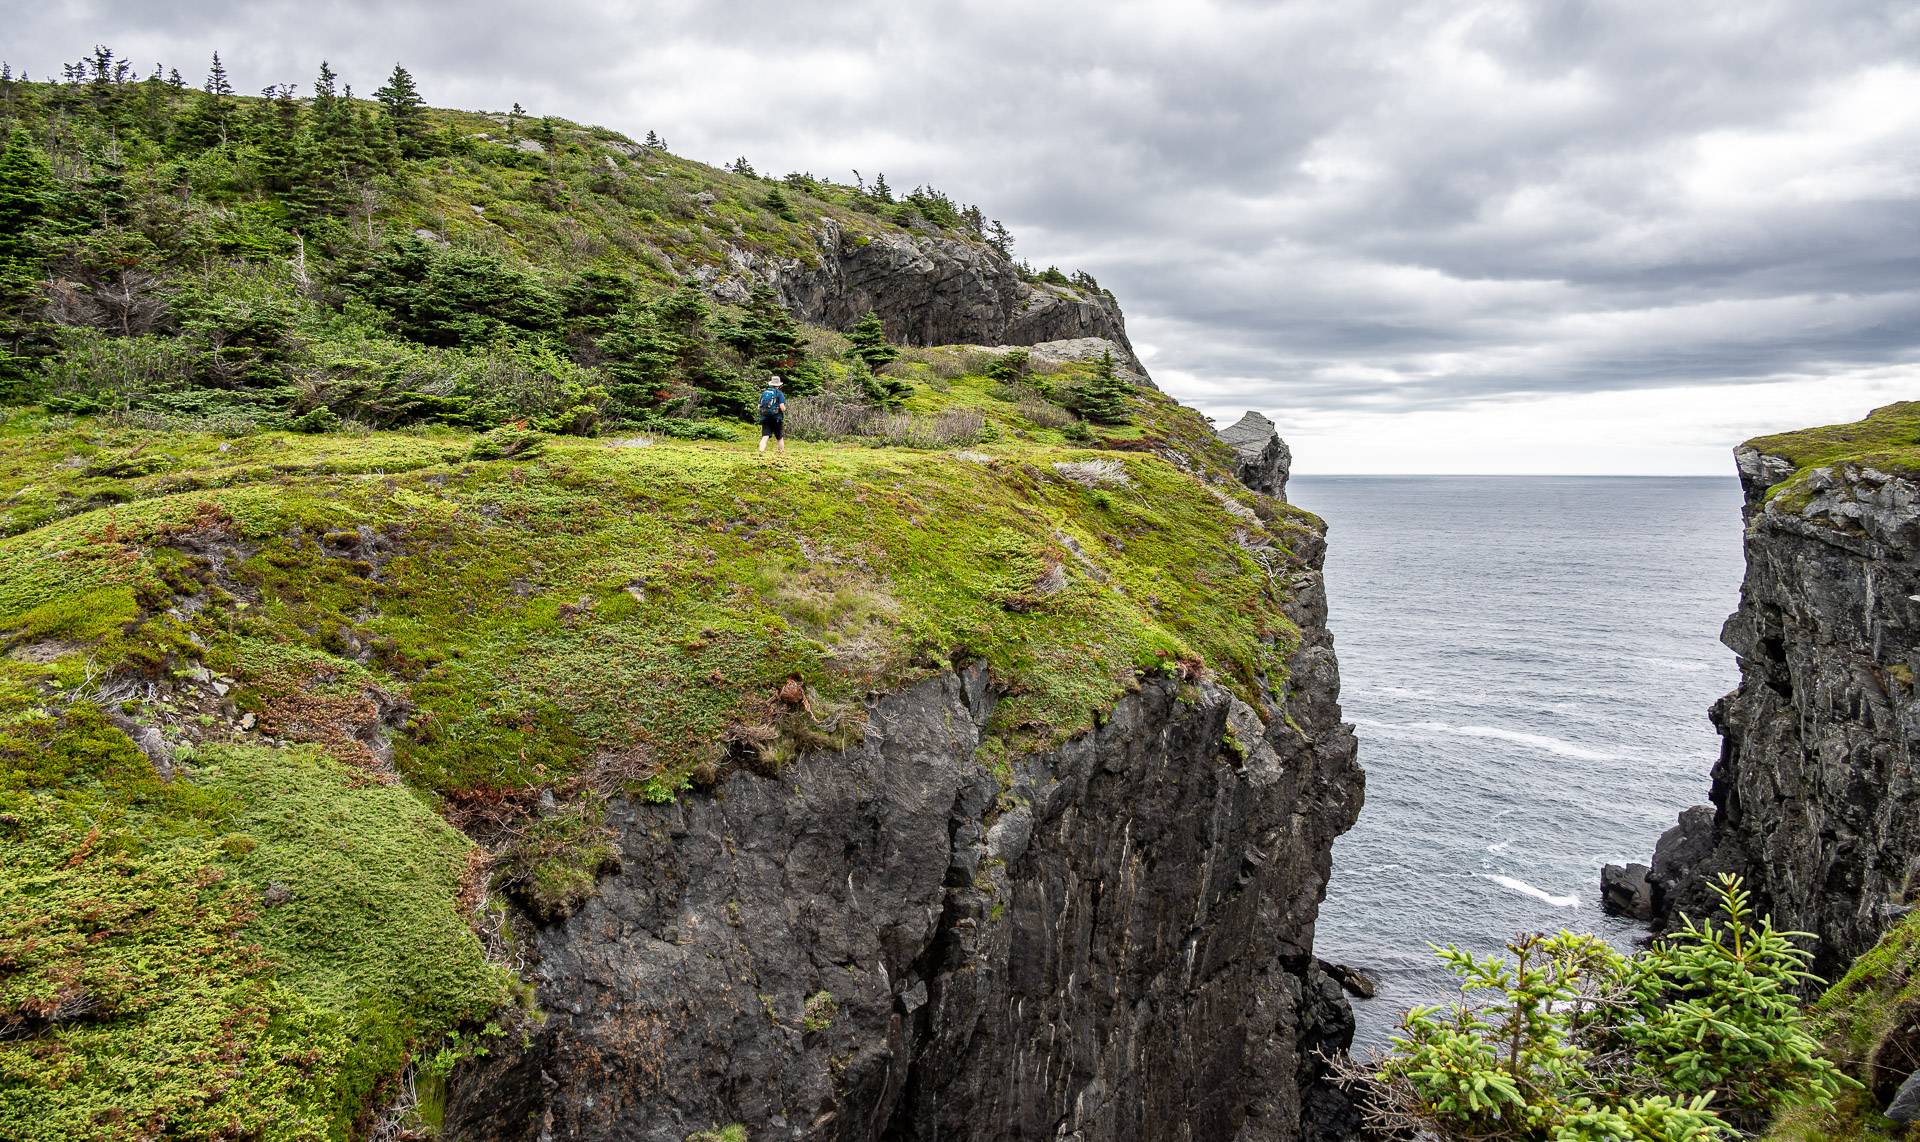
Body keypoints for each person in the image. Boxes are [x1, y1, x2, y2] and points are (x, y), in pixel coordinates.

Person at [757, 375, 787, 454]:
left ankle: (761, 452)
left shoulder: (764, 393)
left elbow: (759, 406)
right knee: (779, 437)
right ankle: (781, 453)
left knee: (765, 436)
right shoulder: (779, 393)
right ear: (779, 385)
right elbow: (782, 407)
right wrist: (784, 410)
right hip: (776, 418)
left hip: (765, 417)